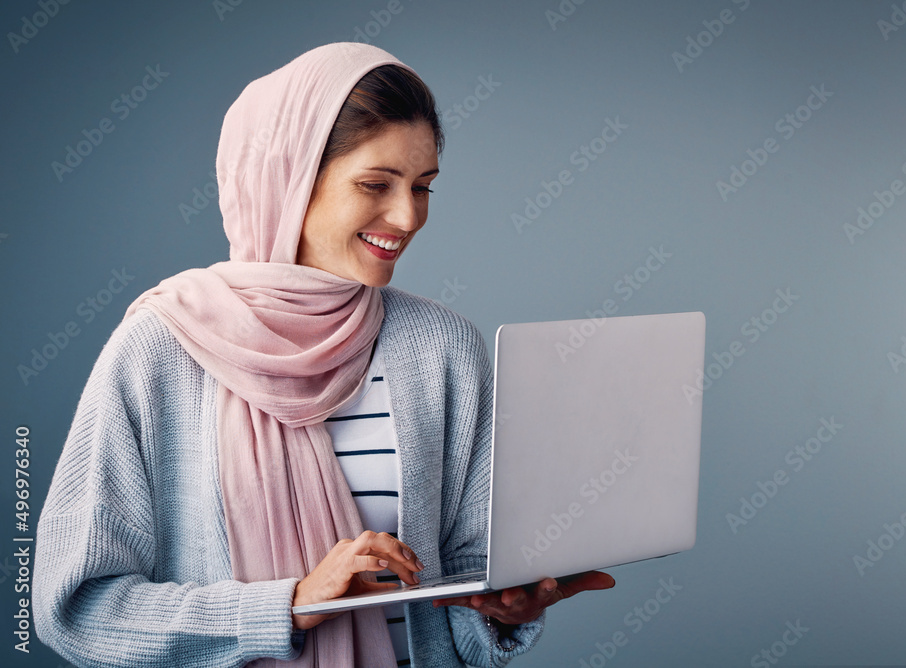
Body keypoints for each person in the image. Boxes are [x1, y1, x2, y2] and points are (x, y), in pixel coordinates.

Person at [34, 42, 613, 668]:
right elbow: (78, 608)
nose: (407, 215)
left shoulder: (444, 348)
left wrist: (503, 607)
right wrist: (290, 605)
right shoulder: (163, 347)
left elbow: (463, 578)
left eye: (423, 187)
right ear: (285, 177)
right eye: (375, 184)